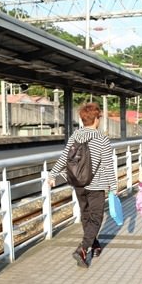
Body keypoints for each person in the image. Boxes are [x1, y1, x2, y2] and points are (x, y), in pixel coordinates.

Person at [48, 102, 117, 268]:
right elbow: (107, 164)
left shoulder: (75, 135)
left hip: (78, 183)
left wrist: (52, 175)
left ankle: (95, 245)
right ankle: (83, 249)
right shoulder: (101, 139)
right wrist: (113, 187)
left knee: (85, 215)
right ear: (96, 119)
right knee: (96, 218)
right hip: (96, 185)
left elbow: (65, 157)